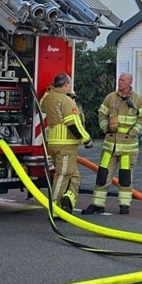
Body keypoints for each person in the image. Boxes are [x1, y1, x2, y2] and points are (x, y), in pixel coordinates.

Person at [83, 73, 142, 215]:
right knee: (102, 176)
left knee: (125, 178)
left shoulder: (138, 99)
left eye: (123, 80)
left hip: (127, 147)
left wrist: (133, 132)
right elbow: (101, 114)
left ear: (130, 82)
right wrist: (105, 127)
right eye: (119, 79)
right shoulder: (110, 97)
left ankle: (124, 205)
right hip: (110, 147)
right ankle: (97, 204)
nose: (119, 82)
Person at [41, 73, 93, 214]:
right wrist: (87, 139)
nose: (70, 87)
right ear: (65, 85)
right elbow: (73, 124)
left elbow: (42, 107)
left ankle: (67, 199)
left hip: (54, 143)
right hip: (66, 145)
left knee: (74, 176)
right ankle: (54, 208)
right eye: (69, 84)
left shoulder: (48, 98)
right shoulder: (66, 100)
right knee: (63, 175)